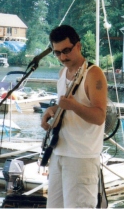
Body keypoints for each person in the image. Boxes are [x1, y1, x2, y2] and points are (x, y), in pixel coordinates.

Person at [41, 25, 107, 208]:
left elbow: (100, 116)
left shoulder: (93, 74)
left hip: (81, 157)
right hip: (58, 151)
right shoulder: (62, 73)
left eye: (67, 50)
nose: (63, 57)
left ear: (78, 46)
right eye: (57, 53)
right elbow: (65, 107)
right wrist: (50, 111)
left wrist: (74, 106)